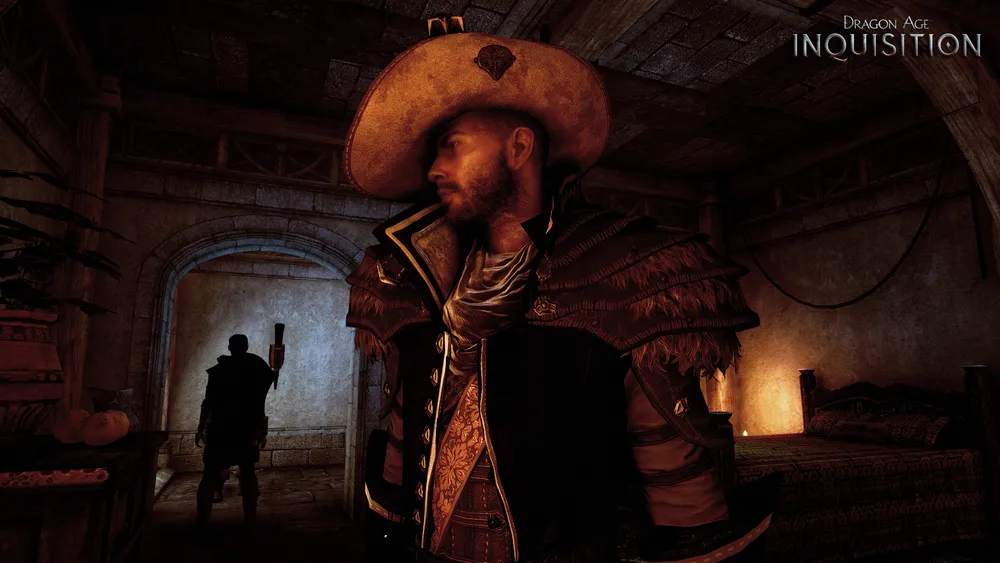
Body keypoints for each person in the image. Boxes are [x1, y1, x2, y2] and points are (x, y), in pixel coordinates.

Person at [345, 19, 780, 563]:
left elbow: (675, 483)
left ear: (518, 147)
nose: (435, 169)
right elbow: (404, 432)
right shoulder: (413, 276)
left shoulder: (624, 271)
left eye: (452, 147)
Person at [195, 334, 275, 528]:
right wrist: (261, 429)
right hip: (243, 430)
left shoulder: (220, 371)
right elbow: (262, 397)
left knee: (212, 476)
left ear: (230, 347)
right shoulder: (255, 369)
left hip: (221, 430)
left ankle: (203, 522)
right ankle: (249, 520)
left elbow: (208, 402)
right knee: (246, 475)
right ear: (246, 347)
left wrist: (200, 427)